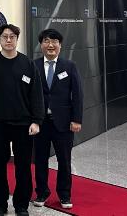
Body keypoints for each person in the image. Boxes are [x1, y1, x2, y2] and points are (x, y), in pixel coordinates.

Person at [0, 24, 44, 216]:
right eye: (4, 37)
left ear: (17, 39)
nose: (8, 40)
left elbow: (36, 94)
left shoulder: (27, 64)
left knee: (23, 168)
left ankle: (21, 205)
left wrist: (36, 121)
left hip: (23, 125)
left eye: (12, 37)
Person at [33, 29, 83, 210]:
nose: (50, 45)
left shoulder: (69, 66)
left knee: (64, 160)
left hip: (63, 122)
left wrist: (77, 119)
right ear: (41, 45)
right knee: (40, 160)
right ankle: (41, 192)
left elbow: (77, 94)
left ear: (60, 45)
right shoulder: (34, 66)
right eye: (46, 41)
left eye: (54, 41)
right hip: (40, 123)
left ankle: (64, 194)